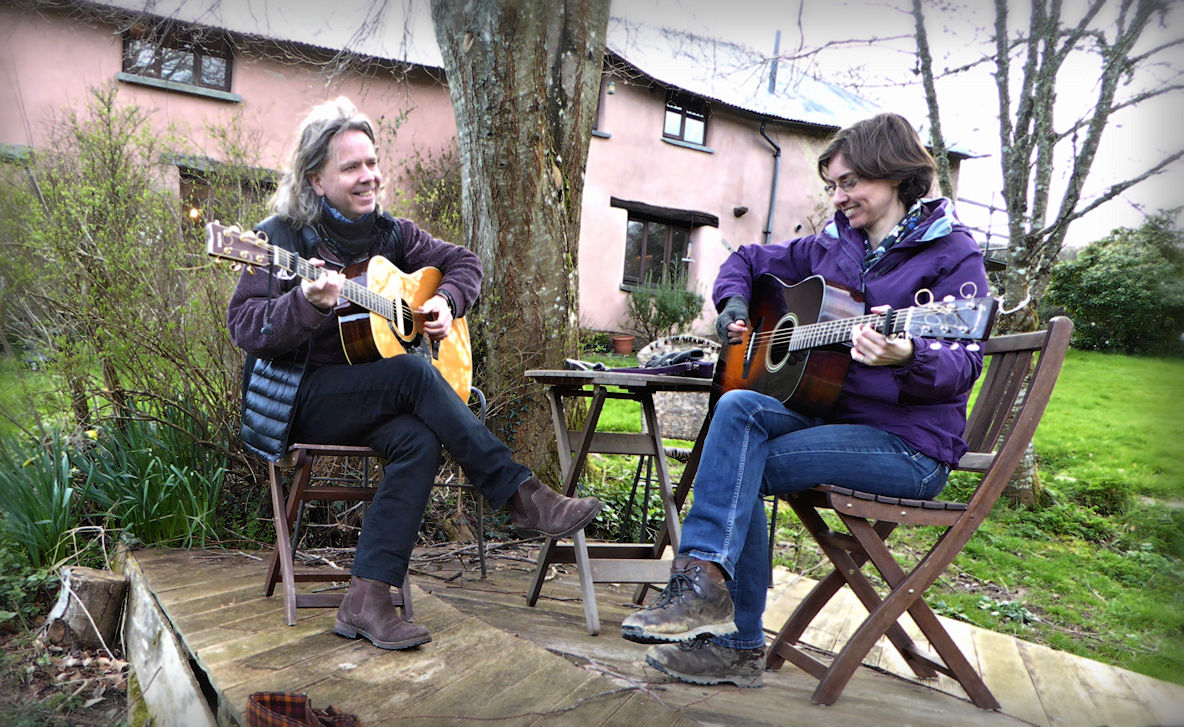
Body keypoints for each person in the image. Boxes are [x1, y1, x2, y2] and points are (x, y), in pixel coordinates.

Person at [619, 112, 989, 687]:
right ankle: (702, 584)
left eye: (850, 184)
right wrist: (735, 307)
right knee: (738, 408)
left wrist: (908, 356)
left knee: (742, 459)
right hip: (830, 418)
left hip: (911, 447)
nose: (838, 197)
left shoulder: (950, 252)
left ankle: (736, 639)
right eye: (832, 186)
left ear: (894, 175)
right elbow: (745, 260)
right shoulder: (831, 248)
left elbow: (965, 362)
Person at [227, 97, 601, 651]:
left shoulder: (392, 234)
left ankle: (367, 600)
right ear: (316, 179)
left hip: (368, 393)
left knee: (418, 438)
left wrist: (448, 301)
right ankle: (522, 498)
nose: (369, 176)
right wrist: (306, 303)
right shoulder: (280, 237)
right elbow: (245, 326)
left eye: (372, 162)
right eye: (351, 167)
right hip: (298, 397)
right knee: (410, 374)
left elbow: (466, 262)